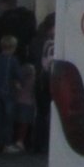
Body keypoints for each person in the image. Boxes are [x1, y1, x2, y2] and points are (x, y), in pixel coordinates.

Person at [0, 35, 21, 154]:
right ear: (13, 47)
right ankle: (7, 144)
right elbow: (18, 76)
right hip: (8, 93)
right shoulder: (13, 61)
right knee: (8, 119)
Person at [29, 14, 55, 154]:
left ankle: (39, 143)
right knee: (49, 113)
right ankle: (46, 143)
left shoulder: (37, 41)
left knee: (41, 113)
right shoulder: (51, 43)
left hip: (39, 80)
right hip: (48, 79)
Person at [12, 63, 36, 152]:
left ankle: (19, 141)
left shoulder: (19, 79)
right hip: (28, 102)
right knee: (24, 124)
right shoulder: (32, 79)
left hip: (20, 101)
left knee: (20, 123)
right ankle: (21, 141)